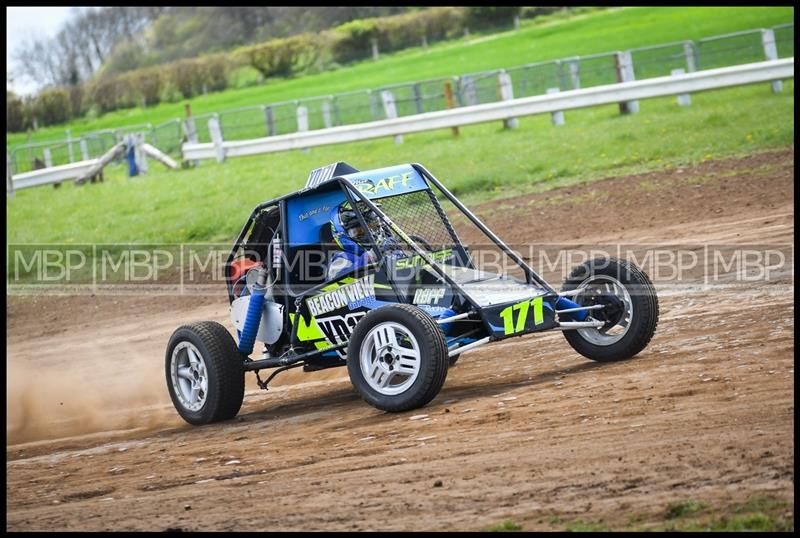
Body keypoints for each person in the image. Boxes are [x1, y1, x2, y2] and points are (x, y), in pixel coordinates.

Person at [325, 202, 401, 280]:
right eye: (360, 231)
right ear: (342, 234)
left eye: (373, 227)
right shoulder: (340, 259)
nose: (371, 233)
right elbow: (339, 281)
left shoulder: (386, 251)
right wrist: (372, 255)